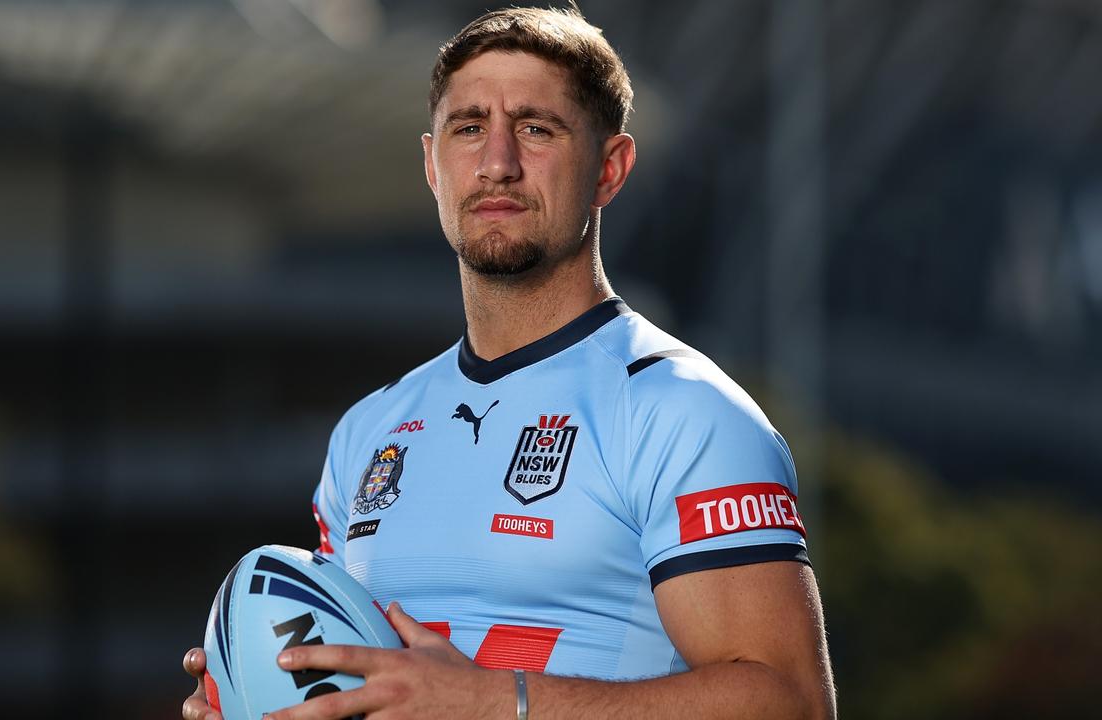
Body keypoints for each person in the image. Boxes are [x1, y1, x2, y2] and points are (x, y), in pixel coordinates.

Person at [183, 6, 836, 719]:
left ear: (610, 170)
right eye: (469, 129)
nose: (497, 163)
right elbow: (360, 682)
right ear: (433, 166)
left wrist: (497, 702)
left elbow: (792, 701)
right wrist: (256, 691)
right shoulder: (370, 429)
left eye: (535, 128)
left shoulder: (686, 413)